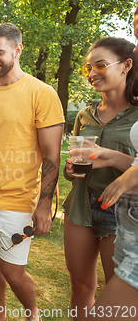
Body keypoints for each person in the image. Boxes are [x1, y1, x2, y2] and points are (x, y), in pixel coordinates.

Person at [0, 23, 64, 321]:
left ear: (18, 50)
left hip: (17, 202)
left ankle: (33, 314)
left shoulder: (41, 94)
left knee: (12, 270)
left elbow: (52, 155)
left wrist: (44, 205)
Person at [62, 37, 138, 321]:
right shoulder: (85, 114)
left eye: (101, 65)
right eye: (87, 68)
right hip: (81, 206)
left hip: (121, 212)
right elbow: (79, 162)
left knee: (117, 293)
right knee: (80, 285)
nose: (92, 73)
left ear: (126, 65)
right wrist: (71, 171)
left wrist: (112, 156)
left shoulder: (137, 117)